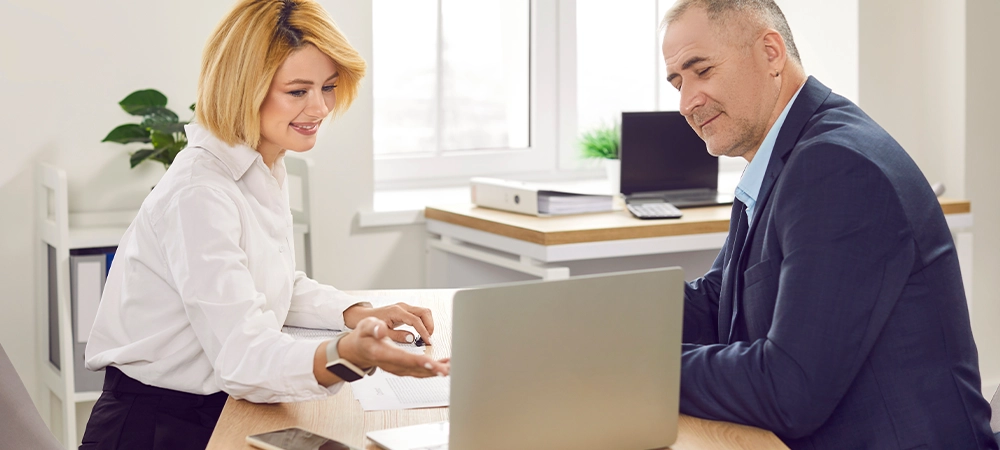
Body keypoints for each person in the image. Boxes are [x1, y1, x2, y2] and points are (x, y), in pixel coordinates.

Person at [80, 1, 449, 448]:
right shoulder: (201, 191)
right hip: (156, 426)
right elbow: (243, 358)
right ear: (245, 89)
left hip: (216, 410)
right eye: (298, 91)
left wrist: (356, 313)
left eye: (328, 87)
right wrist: (345, 355)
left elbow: (269, 283)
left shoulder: (260, 163)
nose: (320, 108)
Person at [660, 1, 996, 448]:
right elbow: (721, 301)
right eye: (678, 82)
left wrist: (642, 366)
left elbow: (791, 387)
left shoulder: (835, 165)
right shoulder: (783, 159)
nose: (686, 103)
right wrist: (602, 323)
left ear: (771, 53)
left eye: (701, 71)